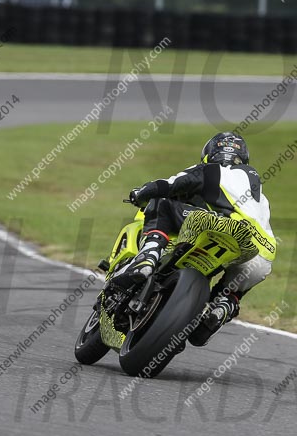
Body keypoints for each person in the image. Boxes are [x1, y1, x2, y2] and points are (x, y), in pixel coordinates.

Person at [117, 131, 277, 346]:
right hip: (262, 250)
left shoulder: (212, 169)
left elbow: (170, 185)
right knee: (231, 289)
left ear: (209, 153)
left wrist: (141, 193)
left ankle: (148, 256)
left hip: (224, 226)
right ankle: (221, 307)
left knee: (161, 202)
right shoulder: (261, 195)